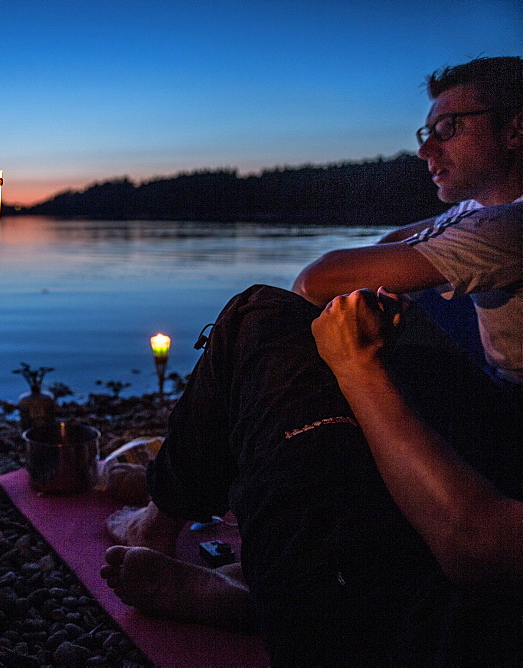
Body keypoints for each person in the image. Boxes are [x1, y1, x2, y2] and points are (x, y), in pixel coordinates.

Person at [102, 56, 523, 664]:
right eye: (424, 133)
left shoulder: (510, 227)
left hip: (510, 427)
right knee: (282, 333)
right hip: (493, 399)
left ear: (515, 130)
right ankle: (242, 562)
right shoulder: (476, 215)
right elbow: (381, 248)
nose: (428, 149)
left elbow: (316, 278)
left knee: (262, 318)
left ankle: (182, 531)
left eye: (449, 127)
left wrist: (368, 319)